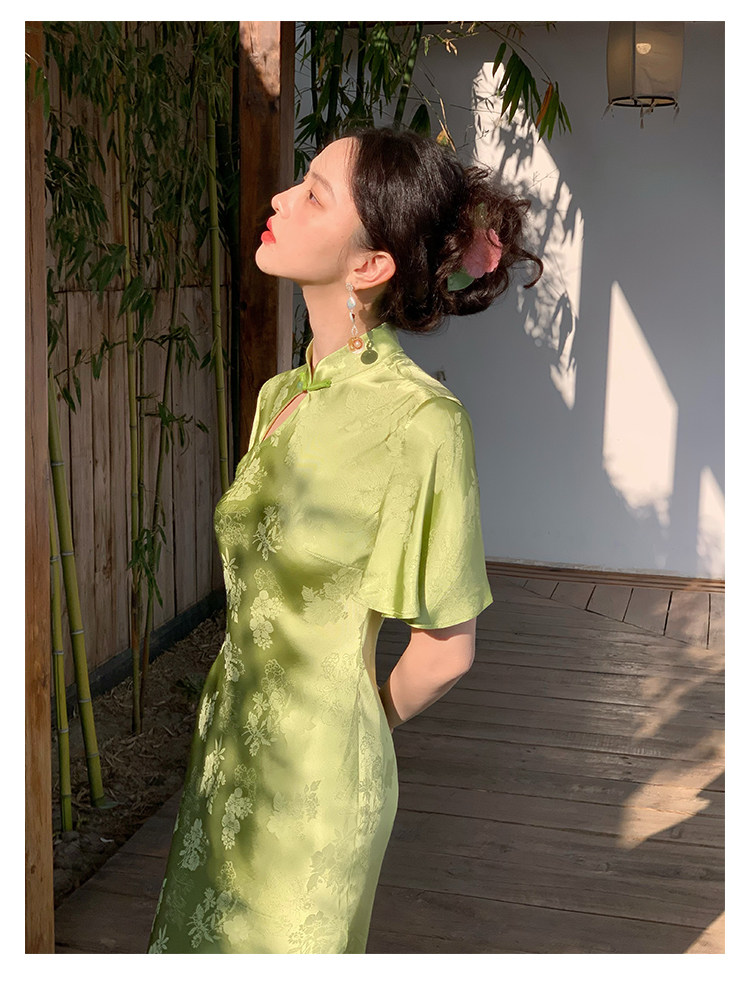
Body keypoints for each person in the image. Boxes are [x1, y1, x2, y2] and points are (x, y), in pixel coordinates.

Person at [147, 126, 543, 954]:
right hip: (226, 757)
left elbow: (446, 650)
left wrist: (353, 731)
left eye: (313, 194)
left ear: (370, 266)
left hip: (317, 788)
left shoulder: (421, 421)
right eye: (300, 182)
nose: (280, 199)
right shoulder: (279, 396)